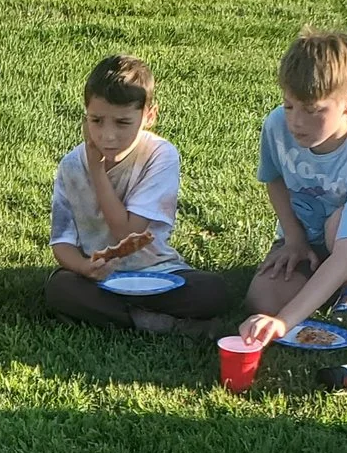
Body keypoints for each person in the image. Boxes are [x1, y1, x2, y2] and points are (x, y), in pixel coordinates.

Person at [236, 28, 347, 343]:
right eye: (289, 105)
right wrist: (294, 239)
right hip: (310, 230)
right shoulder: (276, 125)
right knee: (263, 301)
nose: (296, 122)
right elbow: (274, 178)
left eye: (313, 110)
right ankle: (324, 279)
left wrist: (284, 322)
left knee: (339, 229)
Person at [43, 54, 241, 334]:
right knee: (59, 288)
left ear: (149, 116)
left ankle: (124, 318)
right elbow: (61, 243)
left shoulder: (160, 155)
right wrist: (84, 267)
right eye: (96, 120)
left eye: (123, 123)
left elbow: (128, 234)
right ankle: (155, 323)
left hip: (155, 274)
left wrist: (97, 172)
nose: (107, 135)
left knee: (213, 291)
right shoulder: (72, 165)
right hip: (100, 279)